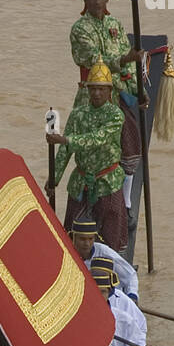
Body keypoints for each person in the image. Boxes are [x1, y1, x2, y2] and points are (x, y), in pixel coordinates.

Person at [67, 0, 143, 215]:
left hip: (118, 86)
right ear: (84, 0)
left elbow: (128, 59)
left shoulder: (115, 24)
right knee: (78, 140)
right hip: (91, 89)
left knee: (130, 140)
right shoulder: (80, 29)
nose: (97, 2)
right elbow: (94, 58)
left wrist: (136, 89)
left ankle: (125, 198)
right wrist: (122, 59)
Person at [47, 60, 128, 251]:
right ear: (87, 90)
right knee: (73, 232)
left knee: (111, 235)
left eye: (101, 89)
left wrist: (67, 140)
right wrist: (54, 179)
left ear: (109, 91)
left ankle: (110, 268)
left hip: (108, 181)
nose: (97, 93)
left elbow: (99, 138)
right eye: (93, 89)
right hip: (81, 180)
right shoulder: (78, 113)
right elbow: (65, 152)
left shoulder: (115, 115)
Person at [70, 215, 139, 300]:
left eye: (90, 239)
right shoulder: (66, 255)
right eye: (82, 239)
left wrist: (132, 296)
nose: (87, 244)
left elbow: (130, 275)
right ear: (74, 237)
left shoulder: (105, 253)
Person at [90, 258, 149, 346]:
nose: (99, 296)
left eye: (103, 292)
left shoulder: (123, 316)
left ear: (108, 291)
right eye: (95, 291)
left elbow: (139, 332)